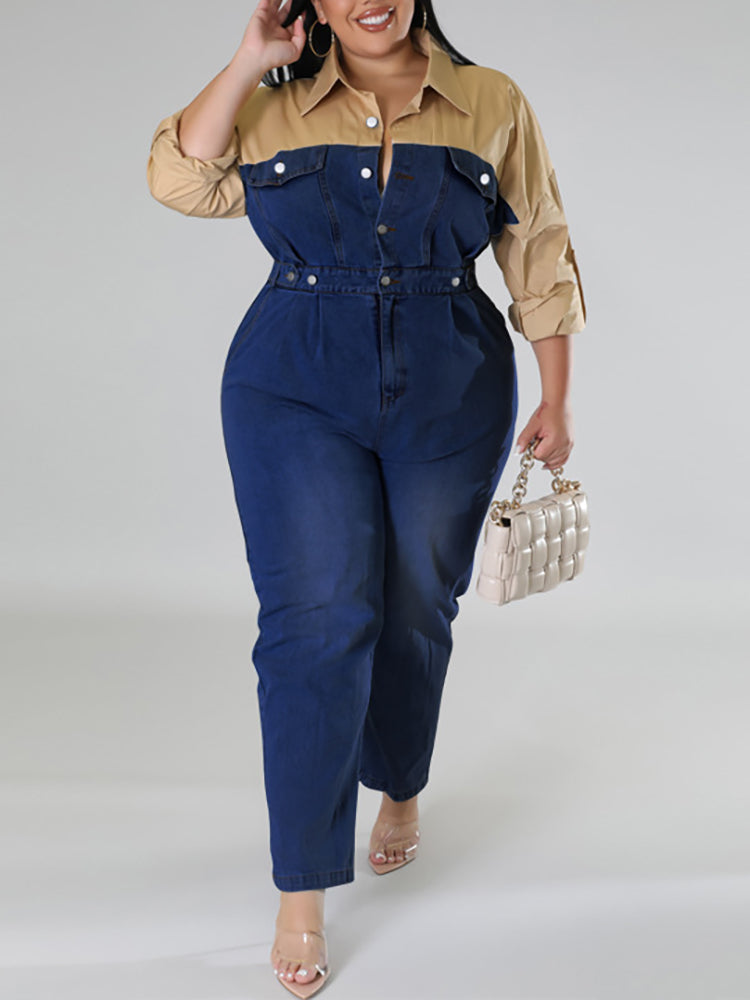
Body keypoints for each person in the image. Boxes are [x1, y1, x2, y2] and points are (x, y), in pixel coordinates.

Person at [146, 0, 587, 994]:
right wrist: (250, 58)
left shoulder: (491, 100)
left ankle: (400, 783)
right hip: (293, 380)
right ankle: (301, 890)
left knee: (416, 604)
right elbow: (179, 177)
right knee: (317, 617)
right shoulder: (274, 105)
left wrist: (557, 396)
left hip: (453, 380)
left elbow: (540, 247)